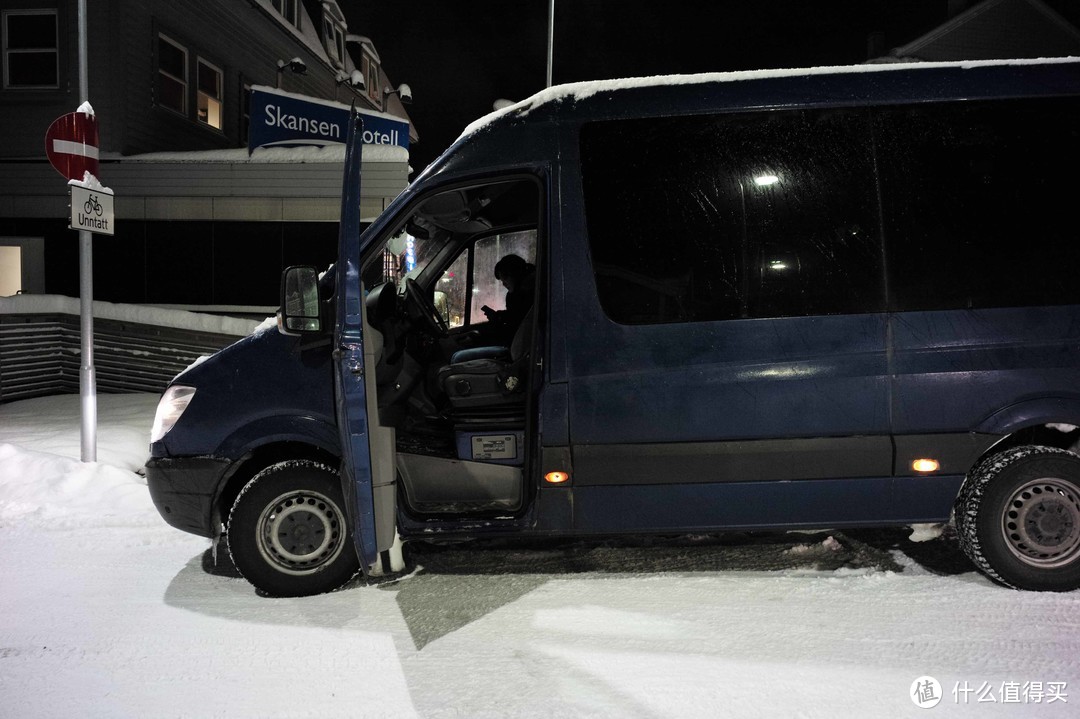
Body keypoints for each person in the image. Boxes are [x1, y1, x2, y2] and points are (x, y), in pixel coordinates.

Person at [482, 254, 535, 345]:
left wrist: (498, 318)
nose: (504, 284)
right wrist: (498, 316)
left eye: (505, 278)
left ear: (516, 274)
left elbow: (516, 322)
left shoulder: (531, 294)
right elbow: (515, 315)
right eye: (502, 280)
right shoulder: (519, 294)